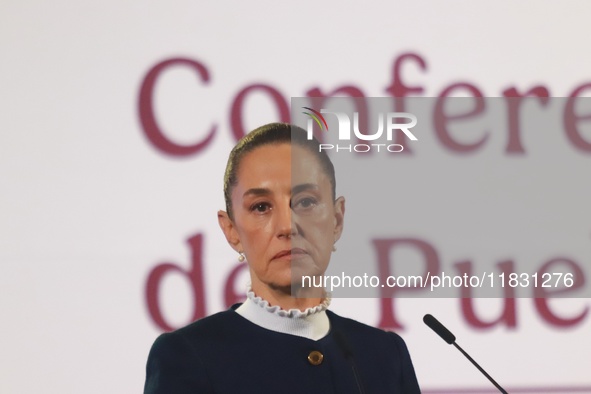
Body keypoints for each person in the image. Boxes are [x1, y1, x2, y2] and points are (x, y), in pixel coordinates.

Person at [144, 123, 421, 393]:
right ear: (231, 231)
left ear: (336, 219)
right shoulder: (188, 357)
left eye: (306, 202)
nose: (288, 226)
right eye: (261, 207)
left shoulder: (384, 355)